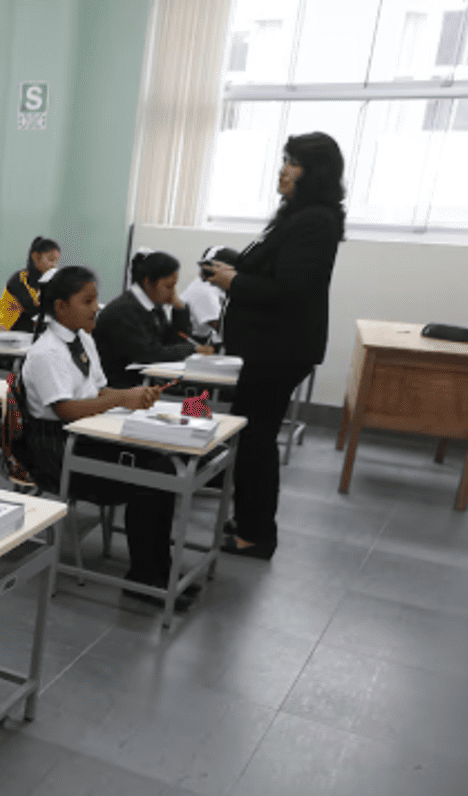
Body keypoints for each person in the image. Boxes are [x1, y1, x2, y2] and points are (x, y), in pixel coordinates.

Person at [205, 131, 345, 560]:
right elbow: (270, 265)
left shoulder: (314, 221)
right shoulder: (294, 215)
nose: (284, 169)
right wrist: (234, 262)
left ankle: (255, 532)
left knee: (256, 440)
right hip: (265, 349)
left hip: (277, 350)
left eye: (295, 163)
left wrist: (234, 281)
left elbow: (290, 291)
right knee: (251, 436)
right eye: (285, 159)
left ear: (314, 173)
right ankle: (249, 520)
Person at [17, 267, 191, 610]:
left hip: (90, 438)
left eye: (95, 299)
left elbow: (97, 389)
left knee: (164, 468)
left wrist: (132, 396)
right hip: (59, 451)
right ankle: (143, 578)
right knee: (152, 476)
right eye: (88, 301)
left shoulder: (83, 340)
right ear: (61, 307)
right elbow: (66, 409)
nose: (97, 307)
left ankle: (159, 570)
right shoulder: (46, 352)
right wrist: (118, 399)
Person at [92, 249, 212, 388]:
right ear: (148, 282)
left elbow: (170, 344)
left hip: (143, 383)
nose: (173, 292)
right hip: (116, 387)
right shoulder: (123, 311)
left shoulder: (153, 307)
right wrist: (192, 350)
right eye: (169, 286)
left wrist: (179, 310)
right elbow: (147, 353)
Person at [0, 236, 60, 333]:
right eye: (51, 260)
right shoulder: (19, 279)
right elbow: (33, 308)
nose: (54, 266)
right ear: (35, 257)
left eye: (56, 262)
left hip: (27, 337)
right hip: (4, 332)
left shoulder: (44, 284)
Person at [181, 245, 240, 344]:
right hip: (188, 344)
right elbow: (223, 329)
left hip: (200, 341)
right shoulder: (204, 290)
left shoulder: (215, 287)